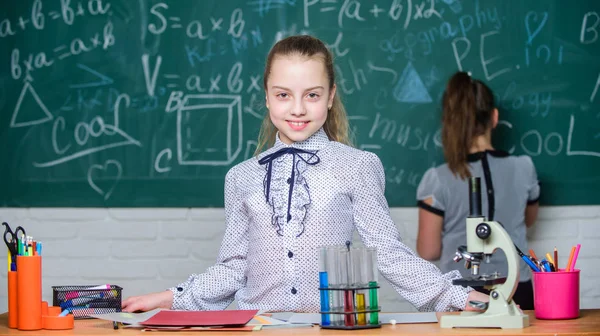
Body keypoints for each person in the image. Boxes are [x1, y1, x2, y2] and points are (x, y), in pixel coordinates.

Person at [122, 36, 488, 313]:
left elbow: (388, 252)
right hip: (258, 329)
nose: (297, 109)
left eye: (312, 95)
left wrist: (455, 295)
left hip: (330, 328)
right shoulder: (242, 176)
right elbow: (234, 268)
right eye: (283, 95)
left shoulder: (357, 166)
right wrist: (170, 296)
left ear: (330, 96)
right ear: (266, 96)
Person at [416, 71, 540, 310]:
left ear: (450, 121)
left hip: (460, 296)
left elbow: (428, 250)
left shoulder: (437, 179)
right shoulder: (525, 168)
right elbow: (529, 220)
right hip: (517, 290)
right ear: (494, 118)